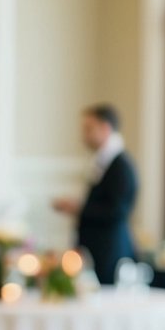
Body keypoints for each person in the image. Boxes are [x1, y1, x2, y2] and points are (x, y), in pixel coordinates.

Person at [53, 103, 138, 286]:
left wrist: (79, 208)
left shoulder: (121, 166)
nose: (84, 135)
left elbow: (117, 210)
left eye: (88, 128)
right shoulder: (103, 162)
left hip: (109, 252)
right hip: (96, 251)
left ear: (105, 128)